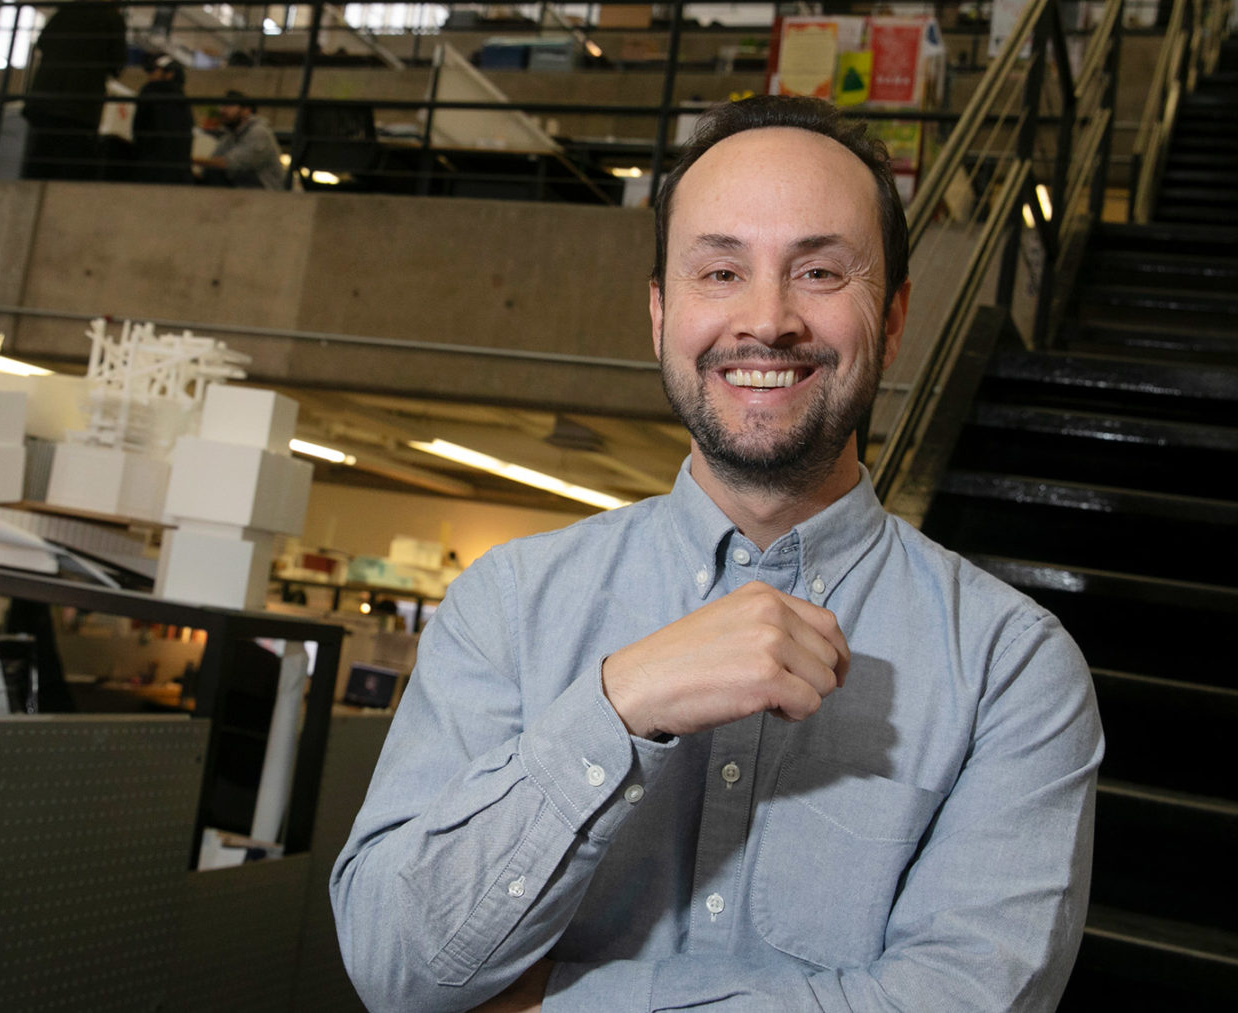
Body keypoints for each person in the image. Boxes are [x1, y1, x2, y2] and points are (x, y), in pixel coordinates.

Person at [330, 95, 1102, 1013]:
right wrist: (619, 705)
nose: (767, 320)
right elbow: (393, 960)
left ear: (892, 319)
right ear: (661, 313)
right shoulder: (509, 601)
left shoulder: (1012, 668)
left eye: (818, 270)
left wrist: (556, 1005)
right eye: (721, 270)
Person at [20, 0, 127, 180]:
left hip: (45, 98)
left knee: (40, 159)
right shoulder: (111, 17)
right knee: (70, 166)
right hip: (80, 105)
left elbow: (43, 41)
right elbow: (117, 63)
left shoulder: (67, 10)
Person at [195, 91, 284, 190]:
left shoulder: (258, 132)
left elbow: (229, 164)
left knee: (214, 174)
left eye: (229, 106)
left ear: (246, 110)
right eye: (222, 106)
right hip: (243, 189)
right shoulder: (230, 136)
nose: (222, 111)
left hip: (266, 191)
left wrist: (189, 160)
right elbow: (216, 159)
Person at [130, 52, 193, 184]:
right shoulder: (183, 101)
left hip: (151, 170)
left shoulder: (150, 91)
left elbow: (138, 129)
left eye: (153, 71)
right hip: (179, 175)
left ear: (170, 74)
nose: (149, 75)